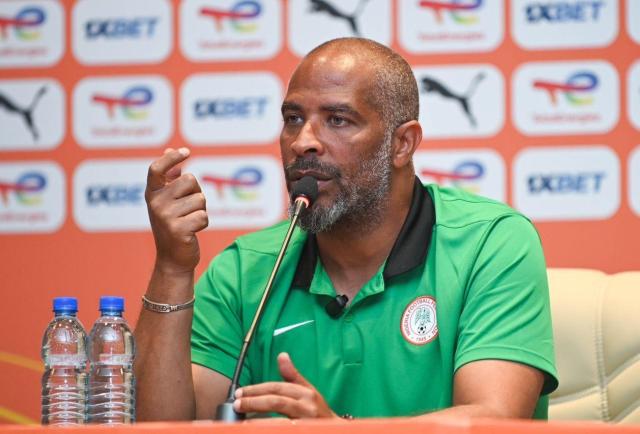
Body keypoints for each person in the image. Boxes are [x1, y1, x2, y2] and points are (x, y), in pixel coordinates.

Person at [134, 38, 558, 421]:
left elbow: (493, 421)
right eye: (293, 118)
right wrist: (172, 267)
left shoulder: (490, 242)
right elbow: (162, 428)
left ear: (402, 144)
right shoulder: (246, 270)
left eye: (337, 120)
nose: (302, 141)